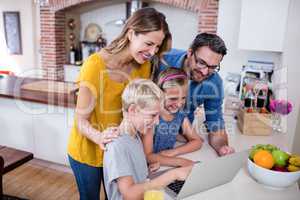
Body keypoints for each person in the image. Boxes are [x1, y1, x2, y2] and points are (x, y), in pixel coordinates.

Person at [67, 7, 171, 200]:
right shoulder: (94, 66)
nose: (152, 52)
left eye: (156, 47)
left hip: (119, 150)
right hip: (89, 151)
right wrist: (99, 137)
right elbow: (80, 120)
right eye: (148, 44)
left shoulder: (144, 65)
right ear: (131, 34)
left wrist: (145, 157)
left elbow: (141, 110)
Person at [103, 79, 193, 200]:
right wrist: (172, 175)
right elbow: (129, 194)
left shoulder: (134, 136)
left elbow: (134, 172)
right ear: (133, 110)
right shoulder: (117, 145)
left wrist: (145, 169)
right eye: (152, 115)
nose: (156, 122)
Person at [156, 33, 235, 156]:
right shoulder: (161, 60)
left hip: (182, 140)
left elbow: (215, 125)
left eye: (212, 67)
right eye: (201, 62)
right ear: (190, 53)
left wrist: (223, 147)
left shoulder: (214, 82)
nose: (204, 72)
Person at [142, 67, 203, 167]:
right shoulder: (152, 117)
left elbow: (197, 141)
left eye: (183, 98)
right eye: (173, 99)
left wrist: (173, 152)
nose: (179, 104)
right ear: (159, 93)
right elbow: (148, 156)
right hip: (149, 167)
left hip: (164, 163)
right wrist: (180, 162)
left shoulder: (180, 114)